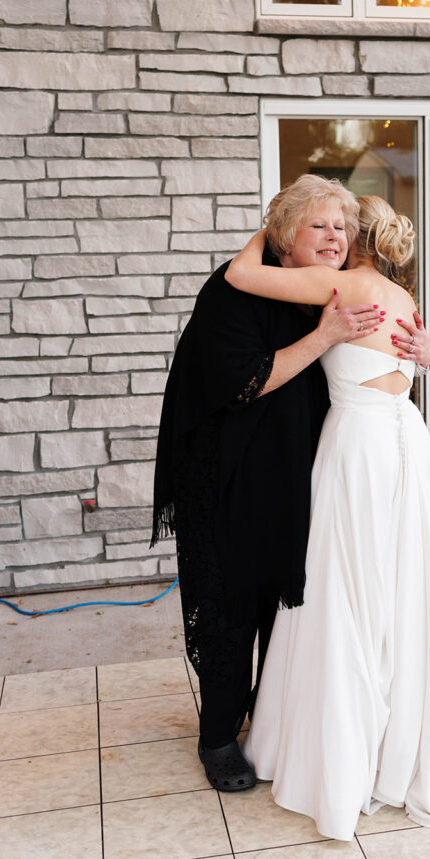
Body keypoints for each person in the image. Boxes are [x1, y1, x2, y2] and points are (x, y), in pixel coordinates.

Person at [225, 194, 430, 839]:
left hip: (357, 445)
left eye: (340, 225)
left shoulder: (338, 283)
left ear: (357, 235)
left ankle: (340, 748)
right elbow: (417, 360)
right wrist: (428, 354)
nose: (330, 233)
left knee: (343, 586)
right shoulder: (401, 296)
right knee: (397, 587)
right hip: (406, 443)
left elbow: (241, 277)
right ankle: (394, 744)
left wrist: (269, 228)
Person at [151, 176, 383, 792]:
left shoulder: (321, 291)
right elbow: (248, 381)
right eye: (319, 226)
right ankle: (219, 738)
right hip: (228, 474)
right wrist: (326, 336)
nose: (336, 238)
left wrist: (418, 348)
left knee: (287, 603)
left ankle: (269, 714)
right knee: (232, 608)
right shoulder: (232, 294)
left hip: (295, 471)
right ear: (283, 236)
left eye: (343, 226)